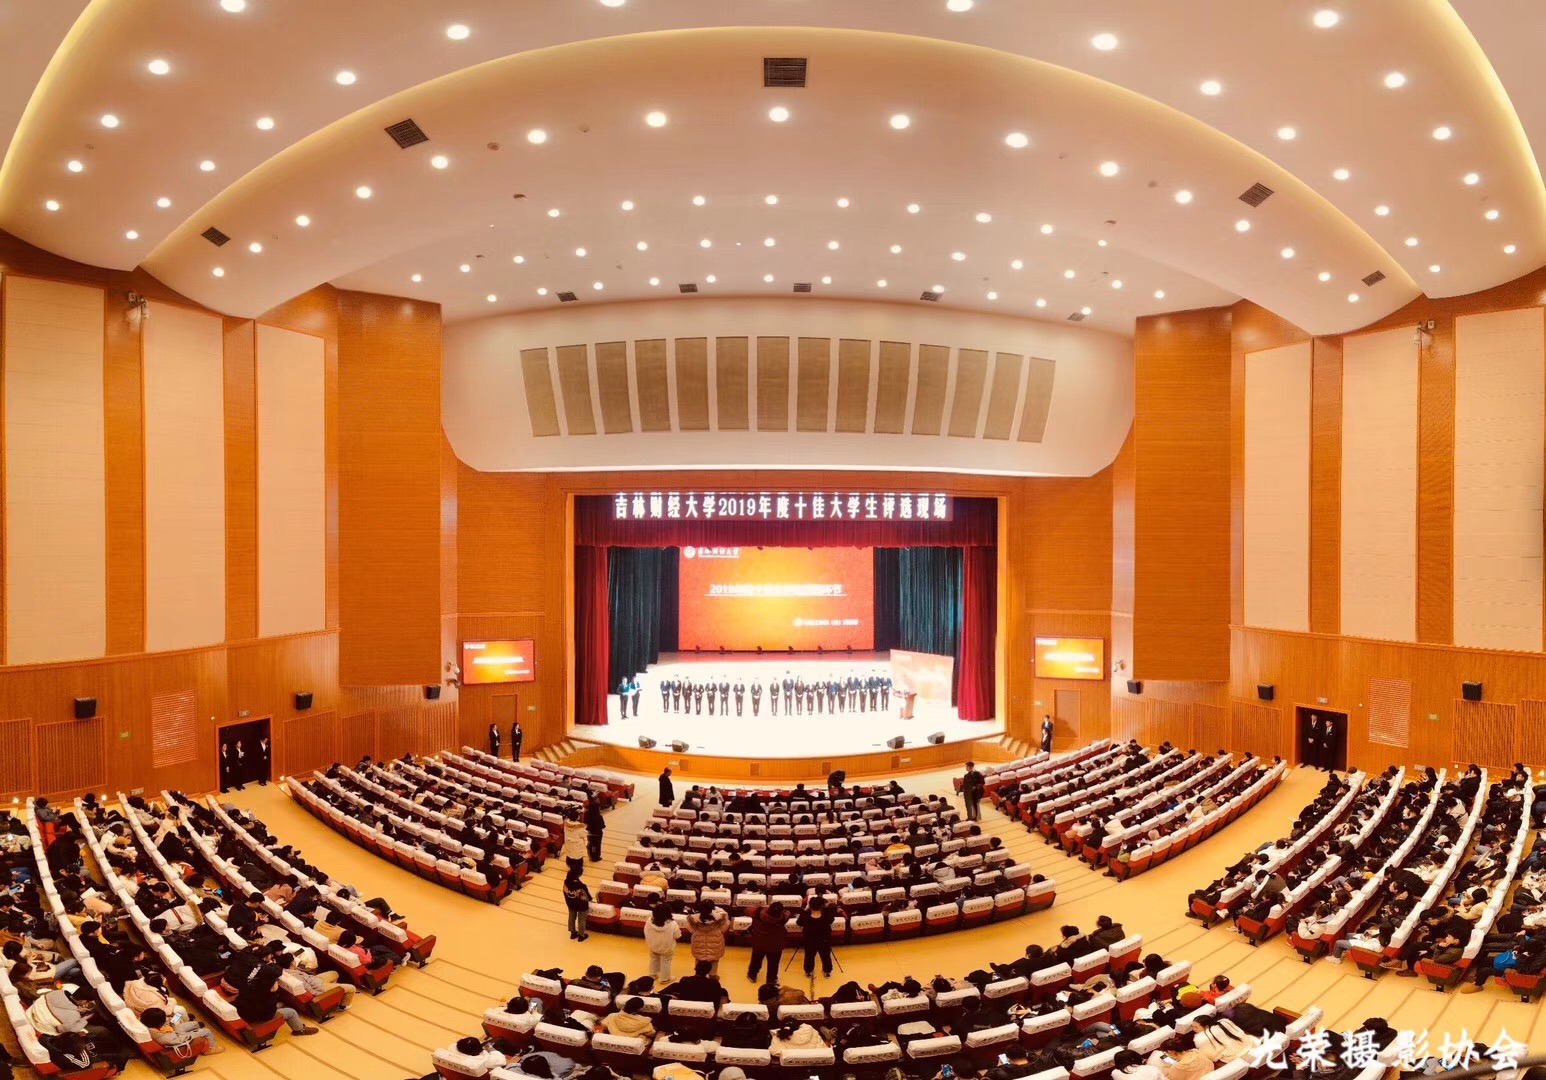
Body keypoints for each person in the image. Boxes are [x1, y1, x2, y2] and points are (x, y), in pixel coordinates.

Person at [747, 902, 787, 985]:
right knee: (773, 963)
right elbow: (788, 913)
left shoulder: (758, 912)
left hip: (759, 941)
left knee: (756, 959)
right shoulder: (783, 918)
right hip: (775, 944)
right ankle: (771, 980)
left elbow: (748, 910)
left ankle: (752, 974)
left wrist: (763, 908)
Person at [687, 901, 729, 976]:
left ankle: (698, 976)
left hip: (699, 945)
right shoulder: (720, 917)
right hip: (715, 946)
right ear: (713, 908)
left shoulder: (693, 918)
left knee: (699, 960)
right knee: (714, 961)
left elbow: (691, 930)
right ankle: (713, 977)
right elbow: (724, 928)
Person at [799, 897, 835, 979]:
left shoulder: (805, 917)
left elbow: (799, 922)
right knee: (826, 955)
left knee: (809, 956)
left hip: (809, 940)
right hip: (824, 940)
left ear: (810, 906)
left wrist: (805, 910)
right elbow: (831, 920)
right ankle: (827, 971)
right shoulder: (826, 916)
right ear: (822, 906)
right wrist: (826, 909)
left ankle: (808, 971)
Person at [644, 905, 680, 983]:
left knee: (654, 959)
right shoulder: (673, 924)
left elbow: (645, 931)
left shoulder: (649, 920)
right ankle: (664, 979)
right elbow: (677, 936)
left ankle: (652, 974)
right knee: (666, 961)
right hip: (666, 947)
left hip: (653, 945)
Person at [564, 869, 591, 941]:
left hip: (571, 903)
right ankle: (581, 936)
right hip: (581, 905)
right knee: (581, 919)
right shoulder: (582, 886)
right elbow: (587, 897)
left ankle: (573, 933)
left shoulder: (566, 883)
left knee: (571, 917)